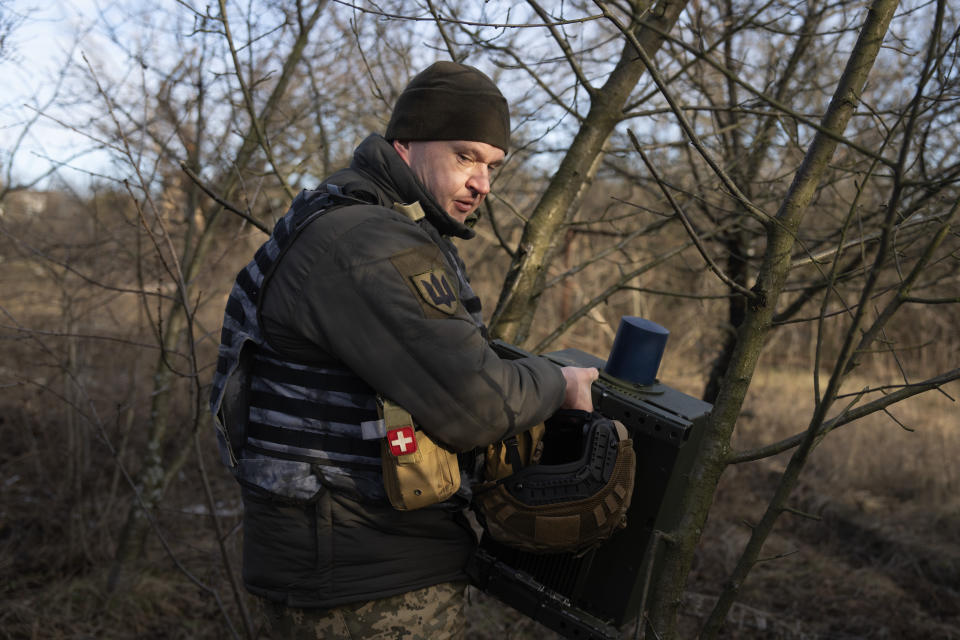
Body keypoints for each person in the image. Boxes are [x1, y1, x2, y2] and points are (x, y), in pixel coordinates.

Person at [210, 61, 598, 639]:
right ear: (406, 145)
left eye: (493, 166)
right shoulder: (367, 242)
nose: (482, 184)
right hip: (362, 579)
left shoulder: (365, 224)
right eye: (465, 156)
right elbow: (476, 405)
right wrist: (561, 382)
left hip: (353, 561)